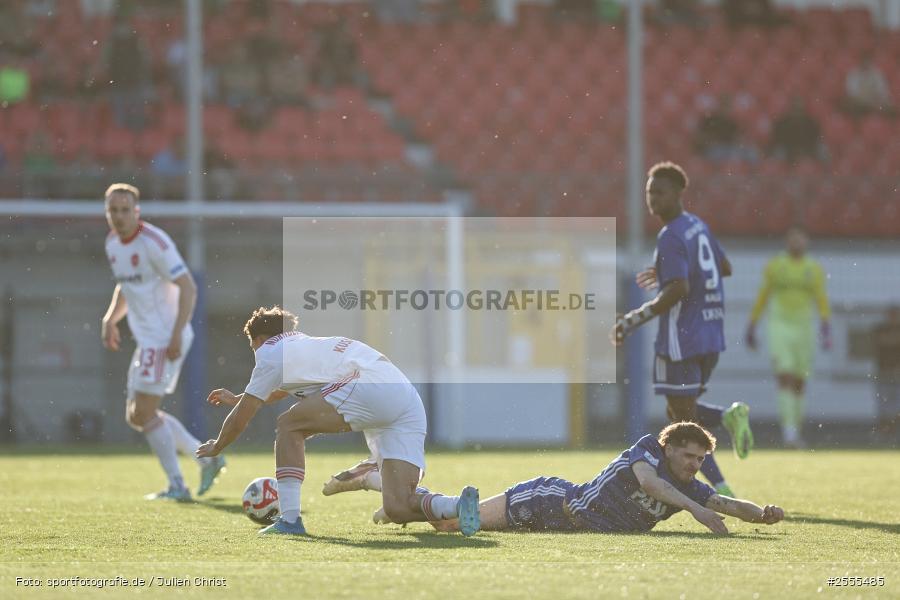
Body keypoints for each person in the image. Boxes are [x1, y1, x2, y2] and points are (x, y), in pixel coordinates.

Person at [195, 305, 480, 537]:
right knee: (397, 508)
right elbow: (278, 391)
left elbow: (242, 419)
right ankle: (458, 505)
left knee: (288, 425)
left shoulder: (268, 354)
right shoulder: (302, 345)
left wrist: (217, 446)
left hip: (365, 382)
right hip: (403, 395)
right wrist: (241, 398)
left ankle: (291, 519)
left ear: (257, 341)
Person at [610, 162, 753, 497]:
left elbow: (678, 289)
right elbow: (725, 267)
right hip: (710, 335)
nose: (652, 199)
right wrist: (672, 271)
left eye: (659, 192)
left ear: (678, 193)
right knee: (680, 412)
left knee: (683, 424)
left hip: (681, 339)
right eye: (649, 193)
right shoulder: (697, 226)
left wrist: (632, 319)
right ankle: (727, 425)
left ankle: (721, 485)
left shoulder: (671, 234)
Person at [358, 423, 783, 535]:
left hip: (559, 521)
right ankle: (379, 482)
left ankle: (392, 497)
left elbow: (728, 505)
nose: (694, 465)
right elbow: (652, 486)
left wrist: (761, 514)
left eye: (700, 460)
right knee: (458, 524)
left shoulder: (688, 485)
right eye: (689, 456)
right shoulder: (648, 451)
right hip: (549, 500)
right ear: (670, 448)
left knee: (451, 526)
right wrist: (694, 511)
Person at [102, 183, 225, 501]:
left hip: (164, 337)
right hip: (148, 341)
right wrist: (110, 319)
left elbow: (188, 288)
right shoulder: (113, 244)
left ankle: (177, 485)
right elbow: (125, 288)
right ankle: (207, 458)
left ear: (137, 211)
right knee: (137, 415)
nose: (119, 216)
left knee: (144, 412)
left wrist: (175, 333)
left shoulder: (154, 242)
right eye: (113, 210)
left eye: (125, 210)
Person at [746, 227, 830, 448]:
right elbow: (763, 296)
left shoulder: (814, 268)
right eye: (793, 239)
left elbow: (821, 298)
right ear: (787, 242)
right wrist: (752, 325)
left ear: (806, 242)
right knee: (785, 376)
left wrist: (825, 325)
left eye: (801, 239)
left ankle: (796, 429)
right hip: (779, 325)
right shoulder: (776, 266)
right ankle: (789, 433)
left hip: (805, 327)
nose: (797, 243)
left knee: (800, 381)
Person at [871, 306, 900, 445]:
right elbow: (876, 345)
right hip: (883, 374)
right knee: (883, 406)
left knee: (896, 407)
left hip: (898, 375)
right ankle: (883, 433)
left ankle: (894, 433)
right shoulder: (880, 329)